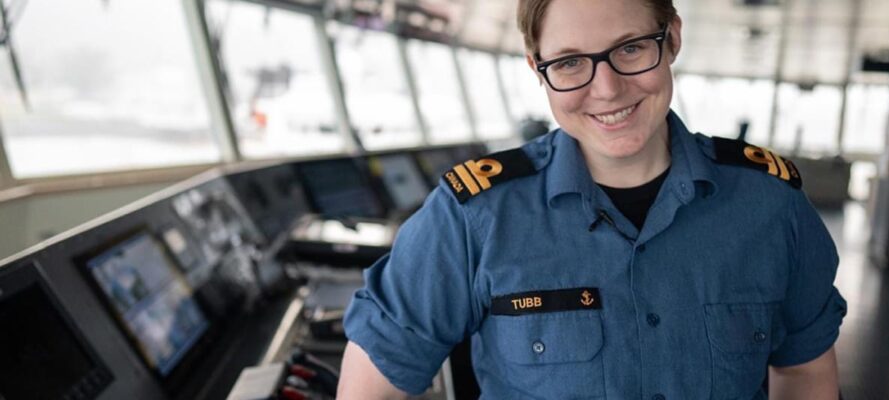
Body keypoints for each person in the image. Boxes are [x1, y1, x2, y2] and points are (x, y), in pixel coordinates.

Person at [337, 0, 847, 398]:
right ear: (538, 68)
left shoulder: (770, 205)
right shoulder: (473, 216)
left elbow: (804, 371)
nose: (605, 89)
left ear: (671, 38)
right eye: (571, 61)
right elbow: (374, 383)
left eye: (629, 49)